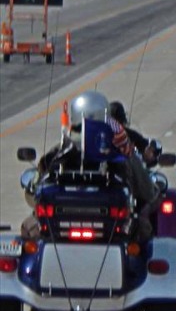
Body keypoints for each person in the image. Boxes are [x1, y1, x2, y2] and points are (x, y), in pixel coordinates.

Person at [23, 91, 159, 242]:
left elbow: (33, 192)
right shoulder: (123, 154)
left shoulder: (59, 151)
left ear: (74, 118)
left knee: (29, 231)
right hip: (113, 238)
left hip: (57, 237)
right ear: (106, 118)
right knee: (144, 236)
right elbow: (148, 192)